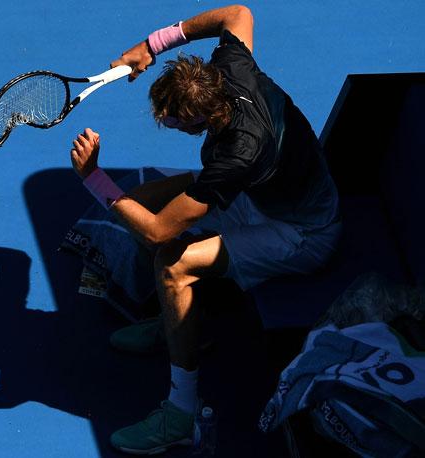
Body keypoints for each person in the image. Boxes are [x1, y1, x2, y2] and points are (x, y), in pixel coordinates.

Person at [69, 4, 341, 455]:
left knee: (171, 261)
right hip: (263, 195)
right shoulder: (230, 67)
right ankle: (180, 322)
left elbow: (158, 232)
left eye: (173, 122)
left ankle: (180, 414)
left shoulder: (238, 154)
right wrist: (149, 45)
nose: (169, 126)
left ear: (200, 120)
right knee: (146, 199)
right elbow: (237, 13)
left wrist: (94, 178)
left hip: (301, 231)